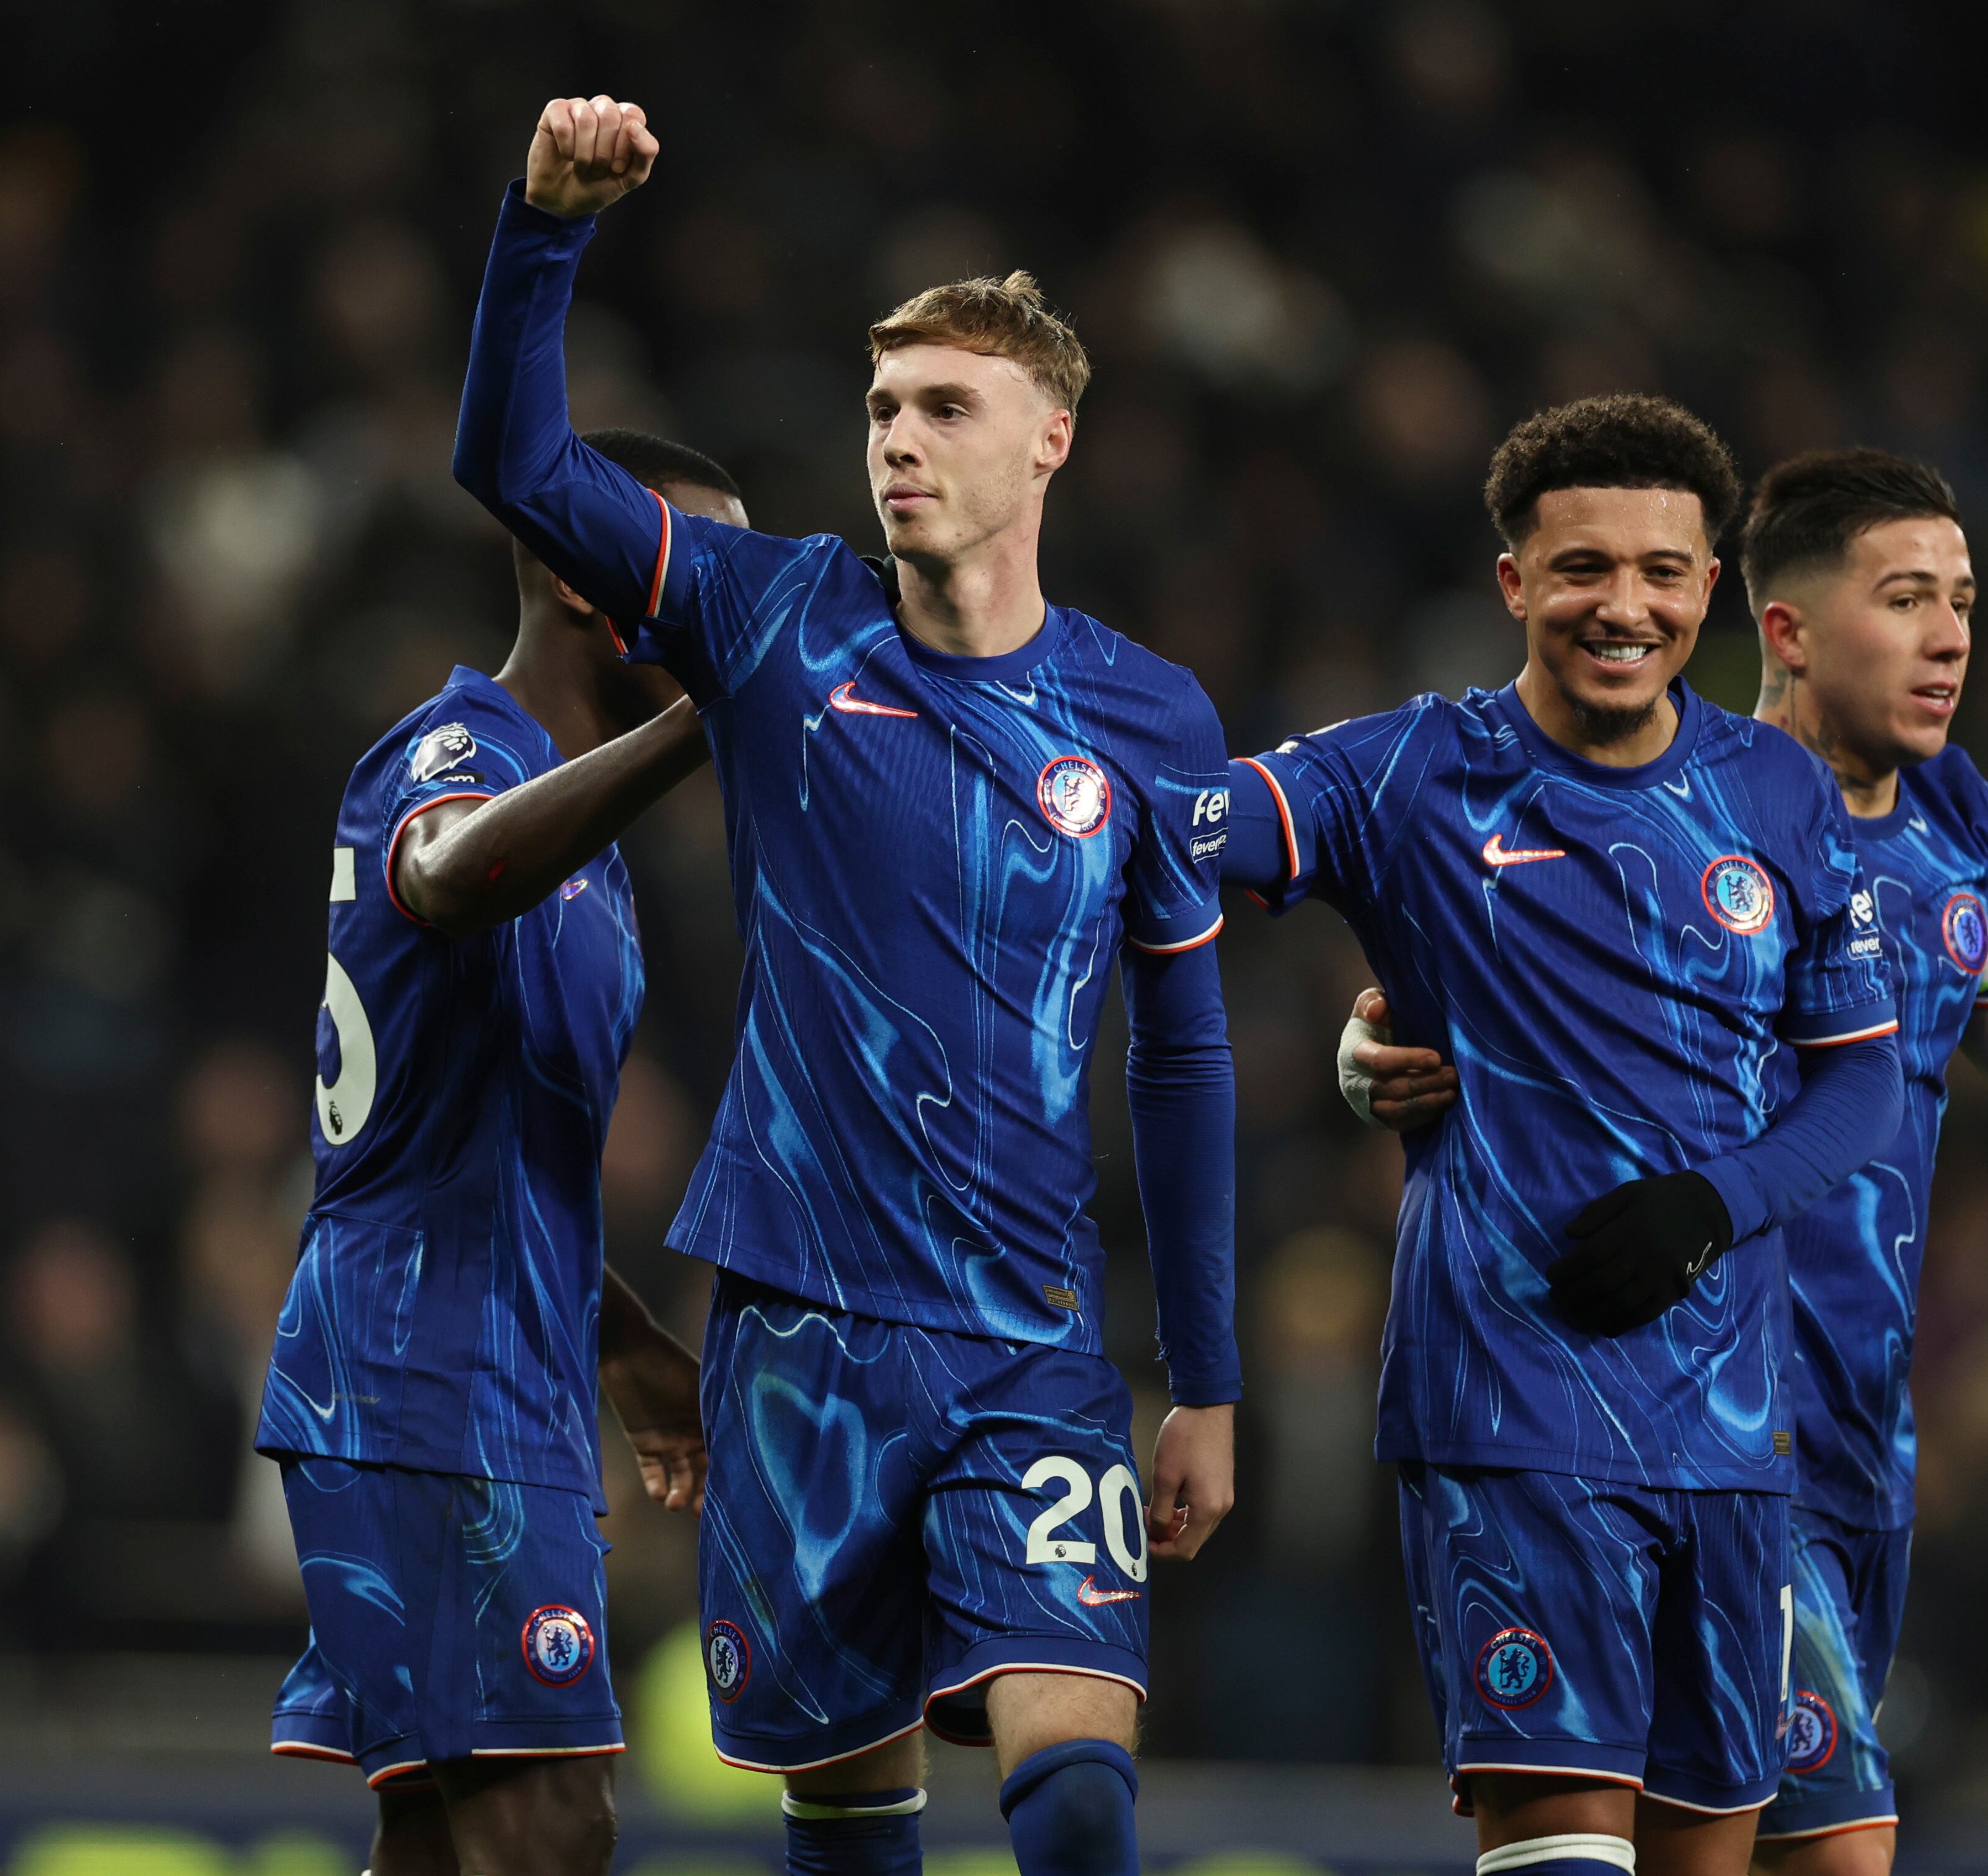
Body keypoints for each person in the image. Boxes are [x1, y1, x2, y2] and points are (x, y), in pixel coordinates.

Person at [450, 94, 1241, 1876]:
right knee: (850, 1811)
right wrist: (543, 230)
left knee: (1082, 1781)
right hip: (799, 1328)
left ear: (1049, 440)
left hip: (1032, 1334)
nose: (897, 438)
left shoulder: (1147, 715)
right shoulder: (776, 617)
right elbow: (515, 463)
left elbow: (1182, 1057)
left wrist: (1206, 1375)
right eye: (881, 405)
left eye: (944, 407)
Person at [1342, 449, 1988, 1875]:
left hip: (1860, 1436)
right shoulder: (1676, 811)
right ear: (1781, 628)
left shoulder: (1963, 827)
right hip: (1691, 1411)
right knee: (1836, 1856)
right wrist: (1365, 1059)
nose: (1951, 636)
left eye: (1962, 601)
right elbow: (1450, 962)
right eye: (1907, 599)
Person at [1219, 395, 1906, 1876]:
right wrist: (1345, 1049)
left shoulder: (1776, 790)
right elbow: (1178, 845)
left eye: (1662, 572)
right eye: (1582, 566)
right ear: (1514, 583)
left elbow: (1858, 1084)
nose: (1624, 604)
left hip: (1728, 1429)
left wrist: (1713, 1206)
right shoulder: (1406, 771)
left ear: (1709, 589)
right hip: (1509, 1401)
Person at [255, 430, 745, 1876]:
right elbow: (450, 872)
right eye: (704, 575)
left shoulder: (591, 840)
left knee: (443, 1831)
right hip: (423, 1370)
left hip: (490, 1364)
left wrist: (619, 1335)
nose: (733, 614)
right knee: (547, 1822)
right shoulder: (456, 755)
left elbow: (468, 1136)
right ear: (601, 588)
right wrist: (701, 718)